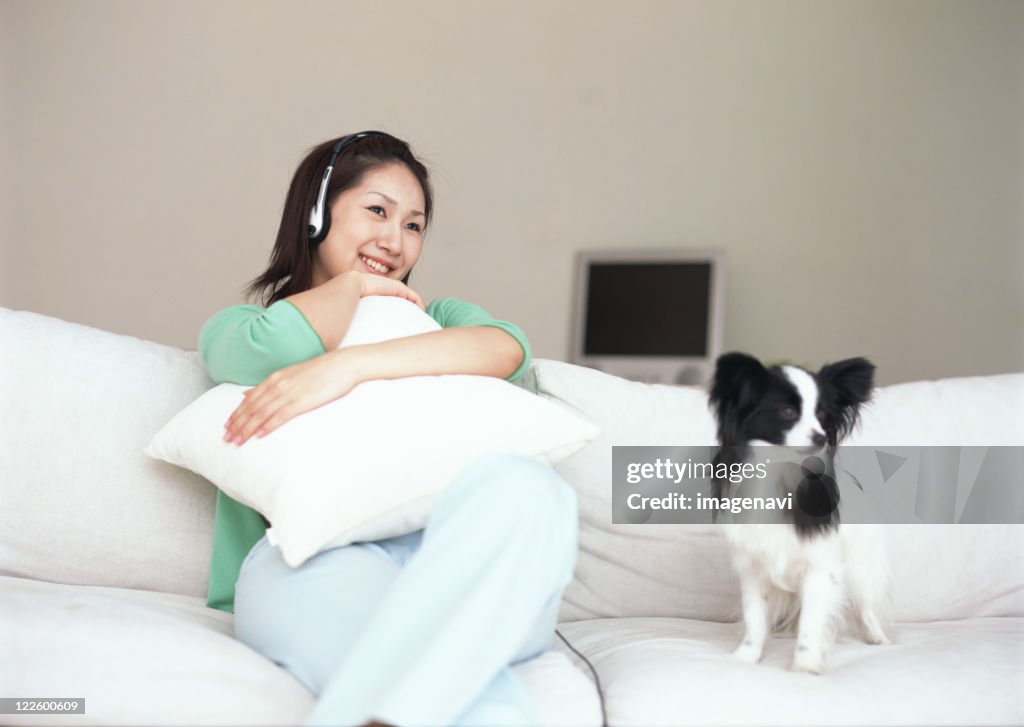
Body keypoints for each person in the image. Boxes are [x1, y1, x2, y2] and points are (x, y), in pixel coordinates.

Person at [197, 131, 579, 727]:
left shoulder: (441, 320)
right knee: (459, 677)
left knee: (532, 488)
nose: (395, 241)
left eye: (413, 225)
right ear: (316, 213)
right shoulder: (247, 325)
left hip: (463, 557)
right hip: (311, 561)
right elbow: (254, 351)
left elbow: (508, 351)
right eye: (377, 211)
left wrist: (349, 367)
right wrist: (351, 287)